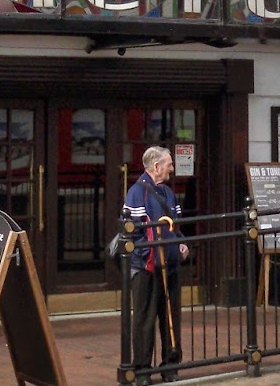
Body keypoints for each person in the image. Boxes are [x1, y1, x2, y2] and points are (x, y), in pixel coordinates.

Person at [122, 145, 187, 382]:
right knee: (145, 319)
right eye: (169, 164)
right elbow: (133, 233)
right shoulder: (137, 193)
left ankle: (170, 365)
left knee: (171, 317)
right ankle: (142, 370)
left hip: (169, 266)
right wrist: (151, 252)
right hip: (147, 269)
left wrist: (181, 243)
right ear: (156, 167)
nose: (172, 168)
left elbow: (176, 225)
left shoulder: (168, 193)